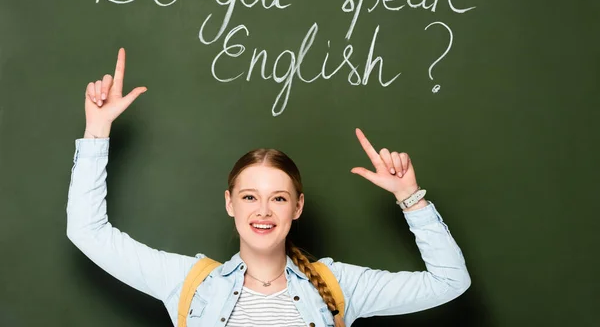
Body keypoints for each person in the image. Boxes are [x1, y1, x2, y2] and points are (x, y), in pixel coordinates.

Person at [67, 48, 471, 327]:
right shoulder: (188, 283)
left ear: (297, 207)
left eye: (278, 198)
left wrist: (410, 198)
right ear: (230, 204)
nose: (263, 211)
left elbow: (450, 283)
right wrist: (97, 130)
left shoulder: (337, 285)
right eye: (249, 197)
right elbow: (87, 232)